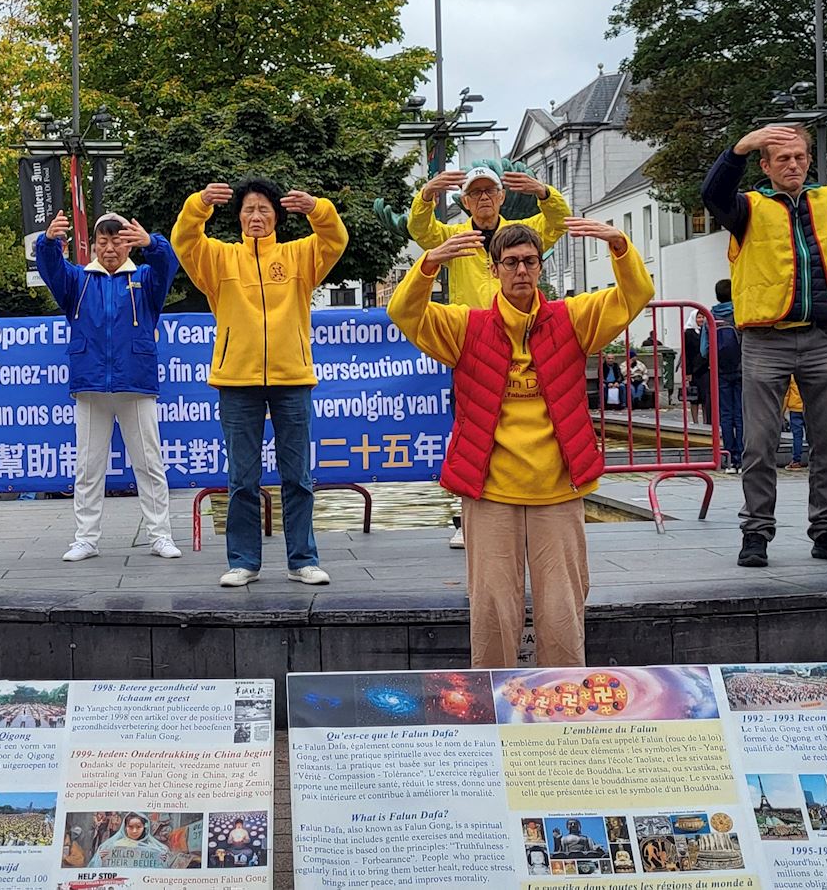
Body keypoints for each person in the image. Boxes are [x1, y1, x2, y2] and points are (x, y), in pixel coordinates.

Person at [388, 218, 652, 667]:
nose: (521, 271)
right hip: (490, 490)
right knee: (492, 611)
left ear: (541, 267)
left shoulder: (572, 319)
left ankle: (563, 697)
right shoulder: (466, 326)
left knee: (563, 609)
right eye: (510, 263)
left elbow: (634, 296)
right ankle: (491, 698)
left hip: (558, 488)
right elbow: (405, 313)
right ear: (494, 270)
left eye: (530, 261)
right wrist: (428, 265)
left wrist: (620, 246)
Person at [702, 123, 827, 567]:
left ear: (809, 160)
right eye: (782, 158)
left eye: (799, 157)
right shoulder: (747, 208)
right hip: (766, 340)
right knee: (759, 443)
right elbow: (713, 194)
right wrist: (738, 148)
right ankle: (756, 532)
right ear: (766, 166)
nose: (792, 165)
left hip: (822, 338)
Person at [172, 178, 348, 587]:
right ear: (238, 217)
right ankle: (243, 561)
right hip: (236, 381)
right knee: (242, 479)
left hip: (292, 379)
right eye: (248, 209)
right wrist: (199, 204)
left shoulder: (299, 256)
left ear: (276, 218)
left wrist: (317, 208)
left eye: (264, 210)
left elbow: (335, 239)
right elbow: (185, 240)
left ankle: (302, 560)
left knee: (297, 476)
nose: (256, 216)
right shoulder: (219, 259)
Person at [407, 165, 570, 549]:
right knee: (471, 433)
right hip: (475, 347)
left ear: (501, 197)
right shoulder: (455, 237)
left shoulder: (521, 235)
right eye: (475, 193)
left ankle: (529, 507)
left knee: (529, 430)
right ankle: (468, 516)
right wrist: (427, 194)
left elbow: (558, 223)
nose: (483, 198)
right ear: (465, 202)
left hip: (525, 345)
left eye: (489, 191)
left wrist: (544, 192)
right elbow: (421, 231)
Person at [35, 210, 183, 561]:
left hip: (135, 382)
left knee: (149, 464)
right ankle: (86, 538)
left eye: (117, 241)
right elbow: (50, 269)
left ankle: (160, 535)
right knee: (88, 467)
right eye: (103, 241)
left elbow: (168, 265)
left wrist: (152, 244)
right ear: (94, 245)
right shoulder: (78, 280)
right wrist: (48, 242)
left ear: (128, 245)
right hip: (91, 385)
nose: (110, 248)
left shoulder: (144, 279)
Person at [700, 279, 743, 472]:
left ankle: (729, 459)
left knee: (725, 415)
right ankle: (743, 457)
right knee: (741, 414)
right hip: (741, 369)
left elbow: (704, 351)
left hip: (720, 371)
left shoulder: (710, 317)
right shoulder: (739, 312)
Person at [88, 812, 167, 867]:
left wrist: (163, 860)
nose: (134, 831)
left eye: (138, 827)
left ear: (145, 827)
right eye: (130, 827)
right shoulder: (113, 846)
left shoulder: (153, 848)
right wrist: (99, 858)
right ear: (125, 827)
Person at [683, 312, 709, 425]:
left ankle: (706, 421)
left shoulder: (706, 330)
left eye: (702, 317)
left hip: (705, 368)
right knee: (694, 397)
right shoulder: (688, 333)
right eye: (699, 317)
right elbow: (686, 353)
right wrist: (687, 372)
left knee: (705, 396)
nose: (701, 319)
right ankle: (695, 421)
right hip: (694, 369)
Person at [783, 376, 805, 471]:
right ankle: (816, 460)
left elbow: (787, 395)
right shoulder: (808, 374)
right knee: (812, 436)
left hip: (795, 409)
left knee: (797, 436)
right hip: (808, 407)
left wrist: (783, 409)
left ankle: (796, 461)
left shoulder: (791, 377)